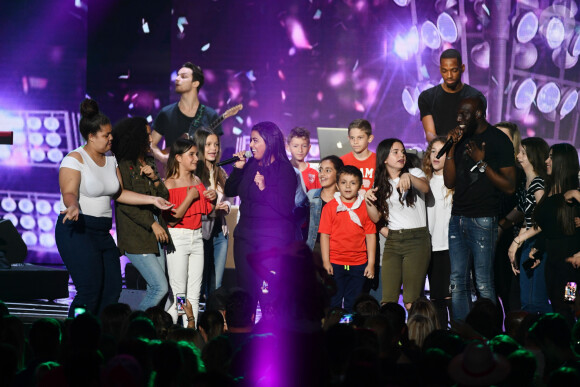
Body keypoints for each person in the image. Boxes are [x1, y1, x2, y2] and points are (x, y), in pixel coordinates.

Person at [55, 98, 173, 317]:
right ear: (91, 137)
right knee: (89, 290)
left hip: (101, 231)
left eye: (111, 134)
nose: (111, 138)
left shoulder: (111, 159)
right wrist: (72, 206)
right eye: (106, 135)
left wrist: (153, 200)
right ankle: (76, 333)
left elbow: (120, 193)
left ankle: (99, 336)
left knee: (112, 289)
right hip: (78, 228)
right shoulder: (74, 159)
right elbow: (69, 192)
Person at [442, 97, 516, 321]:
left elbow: (510, 186)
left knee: (483, 282)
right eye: (458, 113)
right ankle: (463, 332)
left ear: (479, 113)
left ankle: (489, 332)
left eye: (464, 114)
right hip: (457, 218)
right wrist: (451, 148)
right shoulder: (460, 139)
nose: (458, 118)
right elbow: (449, 182)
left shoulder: (498, 139)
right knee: (457, 282)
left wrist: (482, 163)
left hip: (483, 219)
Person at [224, 122, 297, 308]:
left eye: (255, 140)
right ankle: (245, 332)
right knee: (246, 294)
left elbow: (285, 207)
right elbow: (230, 190)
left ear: (270, 142)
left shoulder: (284, 170)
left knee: (268, 295)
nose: (251, 145)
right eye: (250, 141)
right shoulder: (249, 165)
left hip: (272, 242)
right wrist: (238, 169)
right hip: (245, 239)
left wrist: (264, 188)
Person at [507, 143, 580, 326]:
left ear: (562, 162)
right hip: (552, 265)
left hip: (571, 270)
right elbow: (547, 229)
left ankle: (571, 349)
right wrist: (537, 251)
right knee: (556, 307)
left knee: (568, 307)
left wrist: (578, 196)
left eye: (551, 157)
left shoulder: (573, 196)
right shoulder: (550, 192)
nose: (547, 161)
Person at [112, 117, 171, 311]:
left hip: (156, 235)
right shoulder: (122, 165)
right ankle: (135, 328)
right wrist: (151, 223)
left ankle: (151, 335)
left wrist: (155, 178)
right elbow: (125, 203)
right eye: (146, 134)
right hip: (137, 234)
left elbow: (163, 196)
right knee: (159, 288)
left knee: (158, 288)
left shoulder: (149, 161)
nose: (150, 138)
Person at [365, 138, 431, 310]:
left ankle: (412, 336)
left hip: (416, 239)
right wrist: (368, 201)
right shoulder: (381, 183)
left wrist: (408, 176)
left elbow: (425, 188)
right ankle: (391, 335)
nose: (401, 155)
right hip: (393, 241)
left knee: (410, 301)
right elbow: (375, 218)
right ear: (385, 158)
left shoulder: (414, 172)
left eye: (402, 151)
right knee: (387, 301)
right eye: (395, 152)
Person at [164, 138, 216, 326]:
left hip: (197, 238)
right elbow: (172, 218)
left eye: (196, 154)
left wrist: (213, 196)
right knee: (180, 296)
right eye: (191, 155)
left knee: (194, 294)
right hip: (178, 238)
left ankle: (190, 336)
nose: (196, 158)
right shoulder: (169, 184)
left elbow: (209, 210)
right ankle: (162, 329)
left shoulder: (197, 181)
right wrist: (189, 197)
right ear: (178, 157)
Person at [318, 165, 376, 312]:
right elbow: (324, 235)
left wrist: (371, 264)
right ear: (337, 185)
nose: (348, 187)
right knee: (334, 302)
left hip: (358, 264)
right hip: (335, 264)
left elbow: (370, 235)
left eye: (353, 183)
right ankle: (334, 331)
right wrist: (326, 262)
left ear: (360, 186)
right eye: (343, 182)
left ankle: (350, 330)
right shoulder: (330, 208)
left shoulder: (365, 206)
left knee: (353, 303)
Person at [506, 137, 551, 314]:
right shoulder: (528, 183)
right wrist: (516, 246)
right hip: (530, 244)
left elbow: (543, 221)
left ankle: (550, 336)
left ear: (533, 156)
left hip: (537, 245)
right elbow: (529, 219)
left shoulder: (538, 183)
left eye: (523, 153)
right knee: (528, 300)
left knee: (534, 302)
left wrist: (518, 240)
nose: (519, 156)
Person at [150, 62, 223, 165]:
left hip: (201, 175)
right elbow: (151, 144)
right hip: (173, 176)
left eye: (183, 76)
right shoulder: (166, 113)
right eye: (177, 75)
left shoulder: (210, 115)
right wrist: (162, 158)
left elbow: (216, 149)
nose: (177, 79)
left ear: (195, 83)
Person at [192, 128, 232, 298]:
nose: (213, 148)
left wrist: (226, 206)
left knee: (216, 285)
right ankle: (187, 321)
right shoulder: (193, 173)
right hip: (200, 233)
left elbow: (228, 198)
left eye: (216, 144)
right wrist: (211, 208)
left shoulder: (220, 172)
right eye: (208, 144)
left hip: (219, 233)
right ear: (200, 146)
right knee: (195, 284)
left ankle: (212, 320)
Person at [418, 48, 487, 143]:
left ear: (462, 68)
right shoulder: (426, 97)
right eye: (445, 70)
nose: (449, 75)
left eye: (454, 70)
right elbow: (430, 134)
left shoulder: (476, 97)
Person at [423, 136, 453, 328]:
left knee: (449, 298)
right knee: (435, 300)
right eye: (433, 151)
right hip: (426, 247)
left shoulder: (455, 182)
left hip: (448, 247)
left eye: (441, 152)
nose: (436, 156)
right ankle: (439, 335)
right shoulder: (423, 180)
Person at [306, 155, 344, 254]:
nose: (322, 174)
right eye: (321, 170)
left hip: (338, 251)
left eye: (328, 171)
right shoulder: (311, 195)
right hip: (315, 249)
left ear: (338, 174)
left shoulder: (345, 199)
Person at [340, 119, 376, 191]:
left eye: (360, 138)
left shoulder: (379, 160)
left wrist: (405, 175)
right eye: (352, 138)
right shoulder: (342, 161)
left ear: (370, 138)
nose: (355, 142)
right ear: (348, 138)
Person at [287, 127, 320, 191]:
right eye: (295, 146)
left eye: (304, 146)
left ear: (309, 147)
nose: (300, 150)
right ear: (288, 147)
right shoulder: (282, 169)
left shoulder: (315, 172)